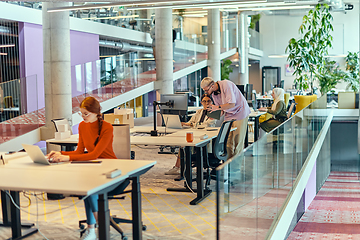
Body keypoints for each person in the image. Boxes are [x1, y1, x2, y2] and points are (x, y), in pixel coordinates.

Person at [46, 96, 128, 240]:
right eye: (81, 113)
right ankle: (94, 228)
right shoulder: (82, 126)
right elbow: (79, 151)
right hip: (94, 167)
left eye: (86, 114)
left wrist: (68, 158)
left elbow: (95, 154)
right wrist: (61, 153)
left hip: (111, 168)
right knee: (87, 187)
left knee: (90, 189)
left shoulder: (107, 127)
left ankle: (96, 226)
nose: (83, 117)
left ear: (96, 113)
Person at [165, 94, 216, 175]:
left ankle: (183, 167)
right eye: (204, 101)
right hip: (196, 134)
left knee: (185, 145)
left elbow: (208, 124)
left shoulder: (214, 112)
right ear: (201, 102)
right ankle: (179, 167)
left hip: (206, 137)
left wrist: (193, 124)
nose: (207, 103)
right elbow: (191, 122)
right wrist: (184, 124)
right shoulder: (199, 112)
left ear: (212, 102)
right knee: (183, 144)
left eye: (209, 101)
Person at [200, 77, 250, 159]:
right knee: (227, 141)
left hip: (240, 111)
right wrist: (214, 115)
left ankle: (236, 168)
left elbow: (231, 104)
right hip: (229, 114)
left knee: (237, 142)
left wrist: (217, 107)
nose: (205, 93)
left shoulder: (226, 84)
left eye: (206, 90)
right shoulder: (213, 94)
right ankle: (229, 165)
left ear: (212, 85)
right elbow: (222, 110)